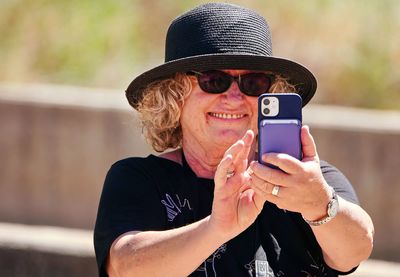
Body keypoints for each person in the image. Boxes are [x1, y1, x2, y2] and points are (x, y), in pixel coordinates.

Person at [94, 3, 374, 277]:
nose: (234, 98)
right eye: (214, 80)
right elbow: (124, 267)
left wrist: (319, 204)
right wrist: (216, 228)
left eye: (253, 83)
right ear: (174, 96)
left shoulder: (307, 180)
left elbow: (356, 250)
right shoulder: (138, 178)